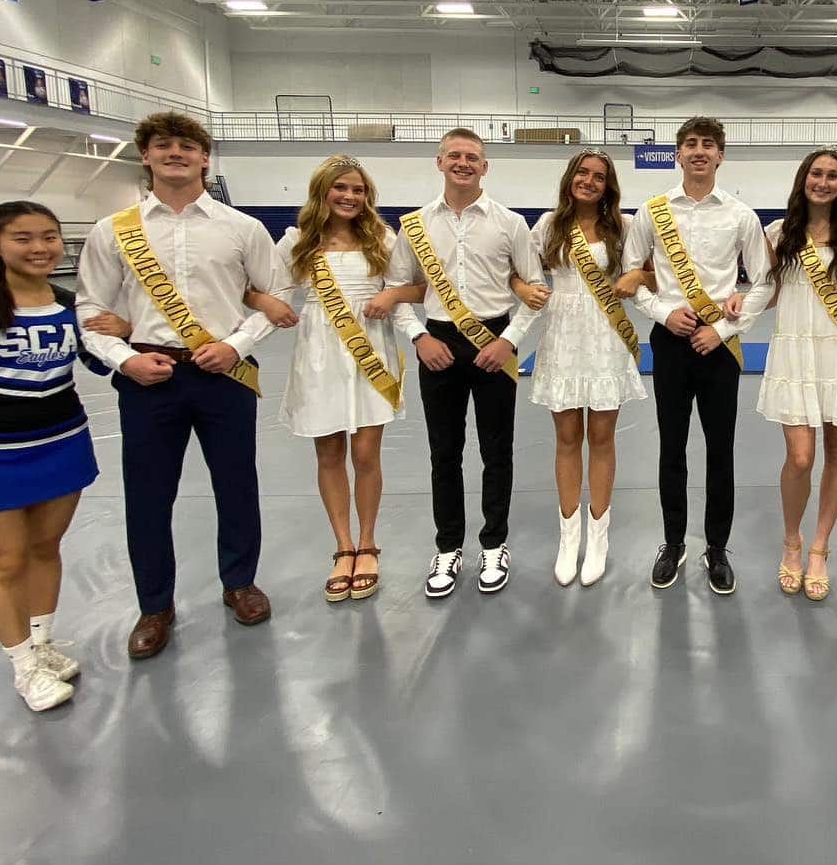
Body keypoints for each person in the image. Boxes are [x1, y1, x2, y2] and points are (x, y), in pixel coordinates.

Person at [76, 111, 292, 660]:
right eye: (163, 145)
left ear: (204, 158)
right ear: (145, 155)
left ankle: (239, 583)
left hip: (225, 375)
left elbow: (273, 299)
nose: (176, 152)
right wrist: (125, 361)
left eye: (188, 146)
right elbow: (91, 310)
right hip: (149, 378)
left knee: (236, 485)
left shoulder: (241, 228)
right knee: (148, 496)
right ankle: (155, 605)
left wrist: (235, 346)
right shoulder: (113, 230)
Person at [375, 127, 544, 598]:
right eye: (455, 155)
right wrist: (419, 337)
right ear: (439, 161)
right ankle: (448, 546)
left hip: (494, 340)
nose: (463, 163)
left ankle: (494, 543)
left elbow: (534, 293)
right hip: (438, 344)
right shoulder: (414, 225)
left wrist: (509, 341)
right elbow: (398, 289)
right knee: (443, 453)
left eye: (473, 157)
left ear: (485, 166)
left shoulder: (510, 223)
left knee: (497, 451)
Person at [0, 203, 106, 711]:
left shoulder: (67, 302)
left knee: (45, 549)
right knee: (5, 563)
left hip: (62, 444)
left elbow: (96, 365)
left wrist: (115, 332)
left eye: (48, 237)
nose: (39, 248)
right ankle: (23, 666)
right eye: (23, 238)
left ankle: (43, 645)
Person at [616, 116, 774, 595]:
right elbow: (631, 273)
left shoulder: (742, 215)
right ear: (678, 154)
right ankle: (673, 542)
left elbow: (765, 282)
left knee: (720, 451)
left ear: (720, 155)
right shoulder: (652, 211)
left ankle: (717, 548)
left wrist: (725, 326)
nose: (699, 151)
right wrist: (664, 315)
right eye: (690, 144)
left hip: (720, 346)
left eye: (708, 144)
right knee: (672, 448)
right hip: (671, 342)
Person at [264, 155, 418, 602]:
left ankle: (367, 543)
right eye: (341, 188)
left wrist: (390, 294)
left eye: (358, 189)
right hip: (318, 353)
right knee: (328, 452)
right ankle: (342, 546)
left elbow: (418, 287)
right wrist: (272, 307)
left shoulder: (382, 239)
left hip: (370, 351)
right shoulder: (296, 241)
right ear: (322, 192)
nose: (350, 197)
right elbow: (269, 289)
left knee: (366, 453)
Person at [756, 149, 837, 601]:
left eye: (832, 175)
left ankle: (819, 548)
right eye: (816, 173)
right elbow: (767, 294)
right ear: (803, 179)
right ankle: (792, 540)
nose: (823, 182)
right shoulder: (779, 232)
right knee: (802, 456)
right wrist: (735, 302)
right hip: (795, 351)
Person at [527, 149, 646, 587]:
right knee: (566, 438)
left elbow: (656, 274)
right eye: (583, 172)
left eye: (599, 176)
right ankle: (568, 536)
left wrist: (637, 278)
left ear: (608, 185)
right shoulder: (548, 225)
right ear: (570, 178)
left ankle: (598, 537)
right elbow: (515, 270)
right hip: (562, 336)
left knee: (601, 437)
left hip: (605, 336)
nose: (589, 181)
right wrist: (524, 286)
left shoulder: (626, 227)